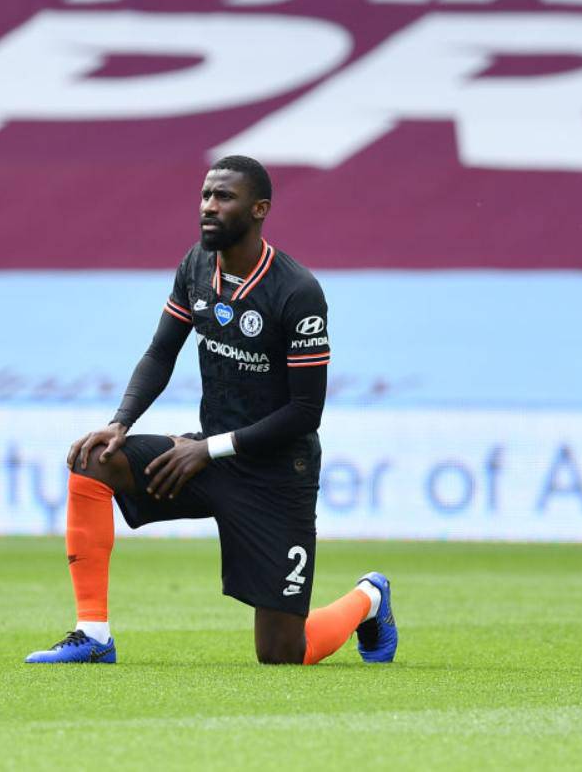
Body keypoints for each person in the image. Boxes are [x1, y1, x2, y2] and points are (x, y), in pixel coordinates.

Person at [24, 155, 396, 666]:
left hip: (275, 475)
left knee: (283, 653)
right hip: (203, 456)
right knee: (92, 462)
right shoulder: (197, 265)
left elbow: (306, 411)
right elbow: (160, 353)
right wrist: (120, 423)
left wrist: (209, 448)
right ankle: (93, 635)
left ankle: (369, 598)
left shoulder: (297, 292)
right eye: (205, 196)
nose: (209, 207)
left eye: (224, 197)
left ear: (259, 209)